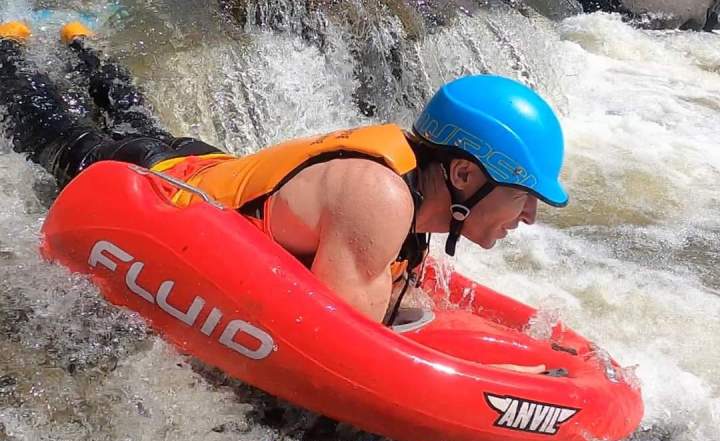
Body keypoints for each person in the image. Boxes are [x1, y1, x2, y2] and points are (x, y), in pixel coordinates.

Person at [0, 21, 568, 373]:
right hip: (151, 179)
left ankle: (83, 46)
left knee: (134, 116)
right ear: (465, 175)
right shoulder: (381, 197)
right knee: (50, 129)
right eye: (523, 196)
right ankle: (12, 52)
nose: (530, 216)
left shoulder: (418, 181)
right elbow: (347, 353)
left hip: (205, 164)